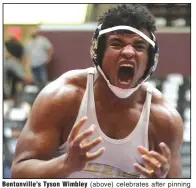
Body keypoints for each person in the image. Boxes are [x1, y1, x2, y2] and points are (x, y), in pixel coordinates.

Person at [11, 4, 183, 178]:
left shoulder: (164, 119)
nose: (129, 52)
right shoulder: (63, 97)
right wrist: (64, 165)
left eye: (139, 46)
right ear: (97, 51)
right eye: (117, 43)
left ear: (151, 61)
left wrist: (159, 183)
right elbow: (19, 172)